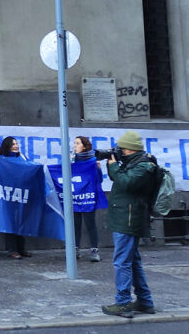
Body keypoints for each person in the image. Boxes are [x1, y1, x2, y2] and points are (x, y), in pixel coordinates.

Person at [101, 130, 158, 318]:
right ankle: (145, 301)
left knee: (122, 262)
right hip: (124, 217)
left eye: (122, 149)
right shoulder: (134, 163)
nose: (120, 152)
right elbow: (119, 178)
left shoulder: (143, 167)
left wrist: (113, 165)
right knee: (133, 261)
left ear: (130, 149)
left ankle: (123, 302)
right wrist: (114, 163)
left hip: (128, 219)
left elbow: (126, 182)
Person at [1, 136, 32, 260]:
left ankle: (21, 248)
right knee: (10, 223)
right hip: (8, 195)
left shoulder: (23, 157)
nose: (16, 145)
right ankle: (12, 250)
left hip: (22, 194)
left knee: (21, 222)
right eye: (13, 144)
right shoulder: (2, 160)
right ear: (7, 146)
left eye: (16, 143)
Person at [73, 135, 102, 263]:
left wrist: (99, 170)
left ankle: (94, 250)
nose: (75, 146)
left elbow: (99, 180)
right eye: (74, 143)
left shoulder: (93, 161)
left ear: (84, 146)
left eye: (78, 143)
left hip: (88, 197)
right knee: (75, 224)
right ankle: (75, 249)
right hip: (75, 196)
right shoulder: (72, 160)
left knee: (90, 224)